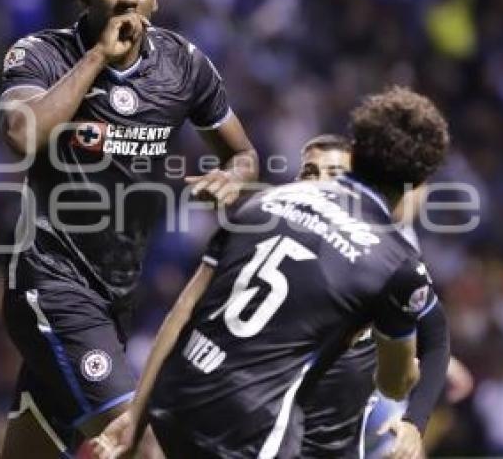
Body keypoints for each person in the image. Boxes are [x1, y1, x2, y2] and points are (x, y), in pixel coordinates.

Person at [0, 0, 259, 457]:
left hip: (117, 297)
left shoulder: (183, 65)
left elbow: (244, 154)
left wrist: (233, 177)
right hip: (50, 283)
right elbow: (22, 135)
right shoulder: (42, 54)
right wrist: (98, 56)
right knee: (139, 444)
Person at [90, 86, 450, 459]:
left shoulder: (263, 202)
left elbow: (183, 312)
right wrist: (407, 369)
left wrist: (137, 414)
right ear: (419, 182)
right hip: (251, 431)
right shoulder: (396, 263)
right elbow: (394, 383)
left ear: (355, 151)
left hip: (177, 401)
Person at [297, 134, 471, 459]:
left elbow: (423, 319)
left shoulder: (400, 241)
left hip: (368, 378)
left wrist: (438, 368)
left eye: (420, 184)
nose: (416, 194)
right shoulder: (314, 228)